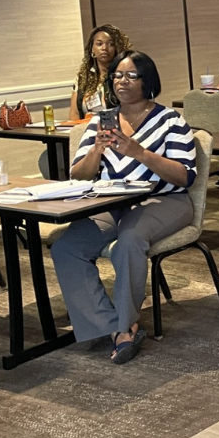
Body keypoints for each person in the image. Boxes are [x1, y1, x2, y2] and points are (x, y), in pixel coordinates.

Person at [52, 50, 197, 365]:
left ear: (148, 81)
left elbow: (185, 176)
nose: (122, 81)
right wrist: (96, 150)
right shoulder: (101, 121)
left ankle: (126, 328)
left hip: (166, 200)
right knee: (67, 249)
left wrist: (140, 153)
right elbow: (78, 174)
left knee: (128, 243)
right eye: (117, 75)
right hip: (112, 203)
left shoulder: (171, 120)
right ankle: (107, 324)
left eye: (131, 75)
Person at [68, 24, 132, 120]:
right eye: (99, 44)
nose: (104, 48)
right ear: (92, 49)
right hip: (85, 130)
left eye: (110, 44)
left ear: (117, 49)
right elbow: (74, 113)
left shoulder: (122, 77)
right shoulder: (82, 78)